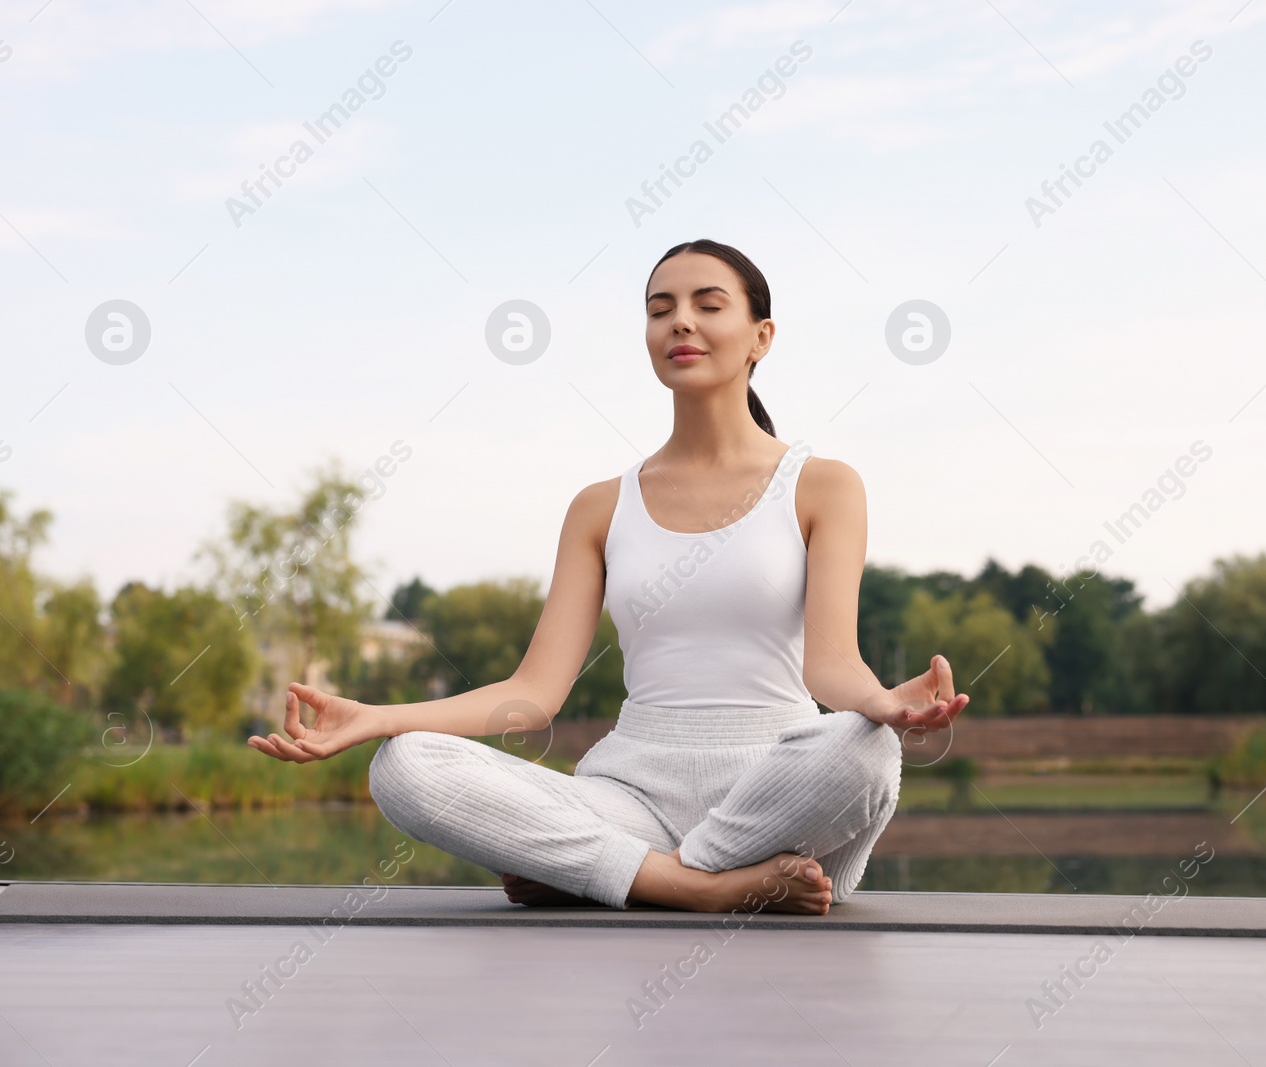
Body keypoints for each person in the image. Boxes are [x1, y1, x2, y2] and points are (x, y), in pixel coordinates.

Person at [248, 238, 968, 914]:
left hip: (777, 786)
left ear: (761, 337)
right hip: (630, 791)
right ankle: (702, 887)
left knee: (867, 749)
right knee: (402, 767)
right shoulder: (600, 506)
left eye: (708, 305)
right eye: (660, 310)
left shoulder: (823, 485)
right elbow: (531, 695)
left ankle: (626, 873)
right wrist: (380, 718)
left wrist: (884, 704)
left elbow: (832, 667)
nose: (680, 321)